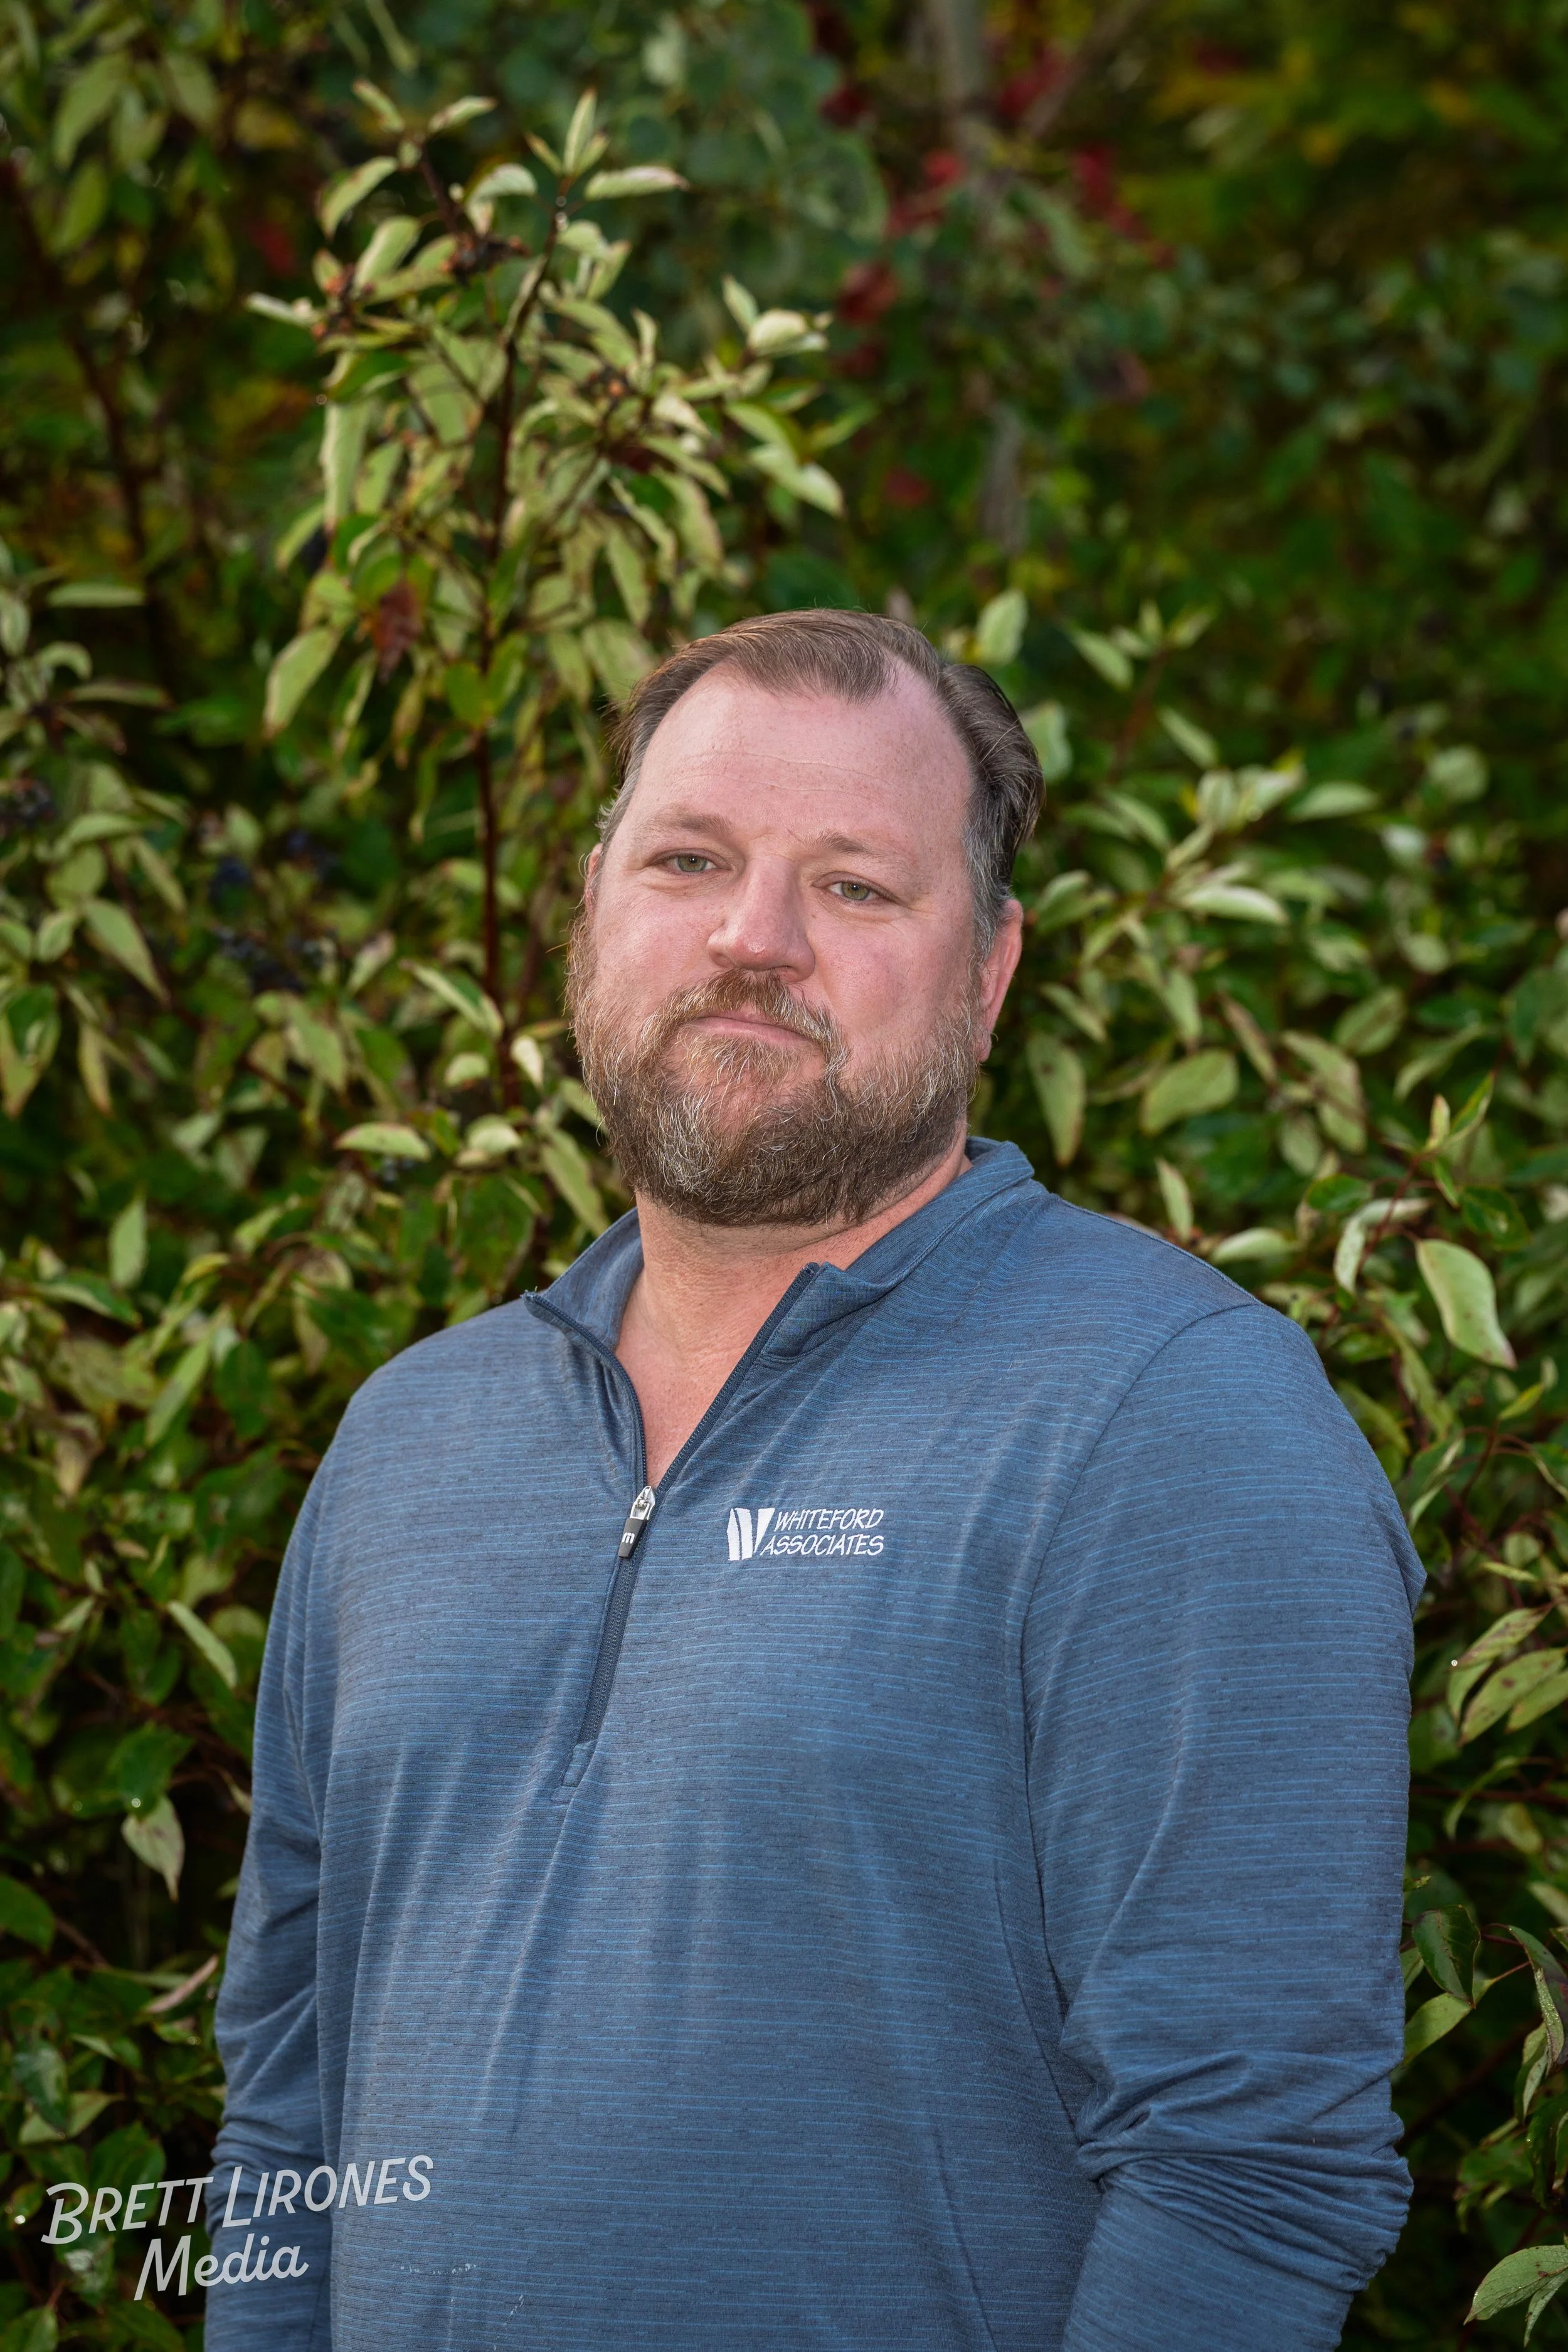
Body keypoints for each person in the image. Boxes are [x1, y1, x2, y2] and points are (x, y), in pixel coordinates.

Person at [207, 610, 1421, 2352]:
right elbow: (285, 2122)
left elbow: (1248, 2174)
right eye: (688, 857)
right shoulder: (414, 1438)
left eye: (853, 886)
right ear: (592, 913)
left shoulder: (1171, 1417)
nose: (749, 936)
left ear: (989, 973)